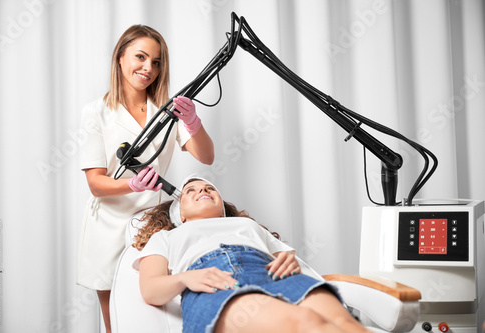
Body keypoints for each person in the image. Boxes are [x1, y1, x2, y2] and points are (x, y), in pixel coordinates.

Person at [78, 25, 215, 333]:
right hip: (108, 228)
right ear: (120, 57)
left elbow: (206, 156)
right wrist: (132, 184)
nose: (148, 68)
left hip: (149, 228)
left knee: (152, 315)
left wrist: (192, 122)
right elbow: (96, 183)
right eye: (140, 57)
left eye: (156, 62)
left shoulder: (165, 113)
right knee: (115, 320)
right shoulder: (96, 112)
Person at [133, 176, 371, 333]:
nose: (202, 190)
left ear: (223, 207)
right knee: (307, 322)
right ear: (180, 214)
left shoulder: (248, 226)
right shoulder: (166, 237)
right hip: (217, 283)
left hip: (273, 275)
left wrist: (288, 259)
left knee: (346, 325)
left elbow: (286, 257)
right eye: (190, 191)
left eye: (209, 188)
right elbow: (151, 289)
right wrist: (185, 279)